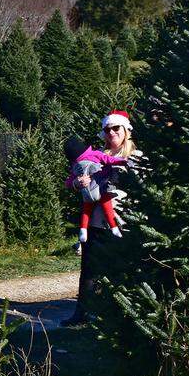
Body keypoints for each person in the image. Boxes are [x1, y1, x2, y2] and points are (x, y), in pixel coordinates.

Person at [64, 109, 141, 326]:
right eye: (107, 129)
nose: (111, 133)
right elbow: (74, 179)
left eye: (116, 128)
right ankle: (82, 313)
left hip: (122, 223)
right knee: (89, 269)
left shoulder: (135, 157)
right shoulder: (95, 156)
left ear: (126, 130)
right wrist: (79, 183)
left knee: (119, 270)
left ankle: (118, 316)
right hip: (97, 223)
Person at [63, 137, 127, 243]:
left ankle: (83, 231)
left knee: (86, 209)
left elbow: (68, 182)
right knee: (107, 208)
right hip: (102, 187)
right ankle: (114, 229)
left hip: (88, 192)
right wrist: (123, 161)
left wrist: (74, 183)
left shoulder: (75, 166)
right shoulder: (96, 154)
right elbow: (110, 160)